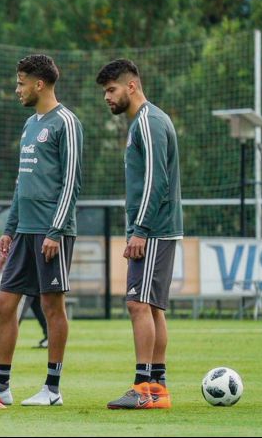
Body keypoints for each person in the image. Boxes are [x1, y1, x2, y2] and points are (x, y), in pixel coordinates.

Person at [0, 54, 82, 407]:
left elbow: (71, 181)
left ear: (39, 84)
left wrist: (56, 231)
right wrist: (9, 228)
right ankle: (0, 387)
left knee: (51, 305)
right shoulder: (30, 125)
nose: (17, 89)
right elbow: (21, 182)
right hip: (25, 230)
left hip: (51, 230)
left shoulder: (66, 123)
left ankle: (53, 389)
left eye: (21, 82)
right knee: (3, 304)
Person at [96, 59, 183, 410]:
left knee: (137, 304)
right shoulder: (146, 122)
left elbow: (156, 180)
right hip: (158, 228)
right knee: (152, 307)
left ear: (131, 86)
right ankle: (157, 388)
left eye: (111, 89)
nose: (107, 97)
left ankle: (143, 387)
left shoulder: (148, 121)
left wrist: (140, 230)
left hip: (154, 229)